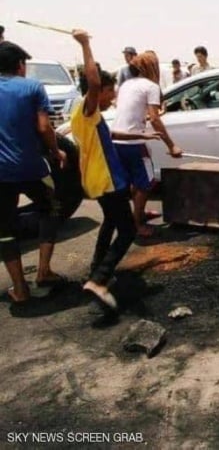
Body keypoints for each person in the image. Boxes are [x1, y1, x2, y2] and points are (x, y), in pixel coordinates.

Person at [70, 30, 162, 313]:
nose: (112, 97)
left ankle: (98, 268)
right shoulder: (87, 109)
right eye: (110, 91)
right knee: (126, 230)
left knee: (111, 221)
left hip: (99, 180)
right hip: (108, 179)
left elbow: (111, 135)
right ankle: (99, 280)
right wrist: (86, 44)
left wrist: (142, 137)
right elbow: (94, 81)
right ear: (97, 92)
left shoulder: (87, 115)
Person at [0, 41, 67, 303]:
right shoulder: (32, 87)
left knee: (4, 229)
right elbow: (44, 127)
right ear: (20, 65)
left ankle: (20, 288)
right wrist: (56, 151)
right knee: (50, 206)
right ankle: (44, 271)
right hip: (30, 167)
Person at [112, 50, 183, 237]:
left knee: (135, 182)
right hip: (135, 143)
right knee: (146, 183)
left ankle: (139, 214)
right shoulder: (150, 86)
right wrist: (171, 145)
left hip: (118, 140)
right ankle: (136, 225)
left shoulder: (127, 85)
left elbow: (134, 111)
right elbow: (155, 120)